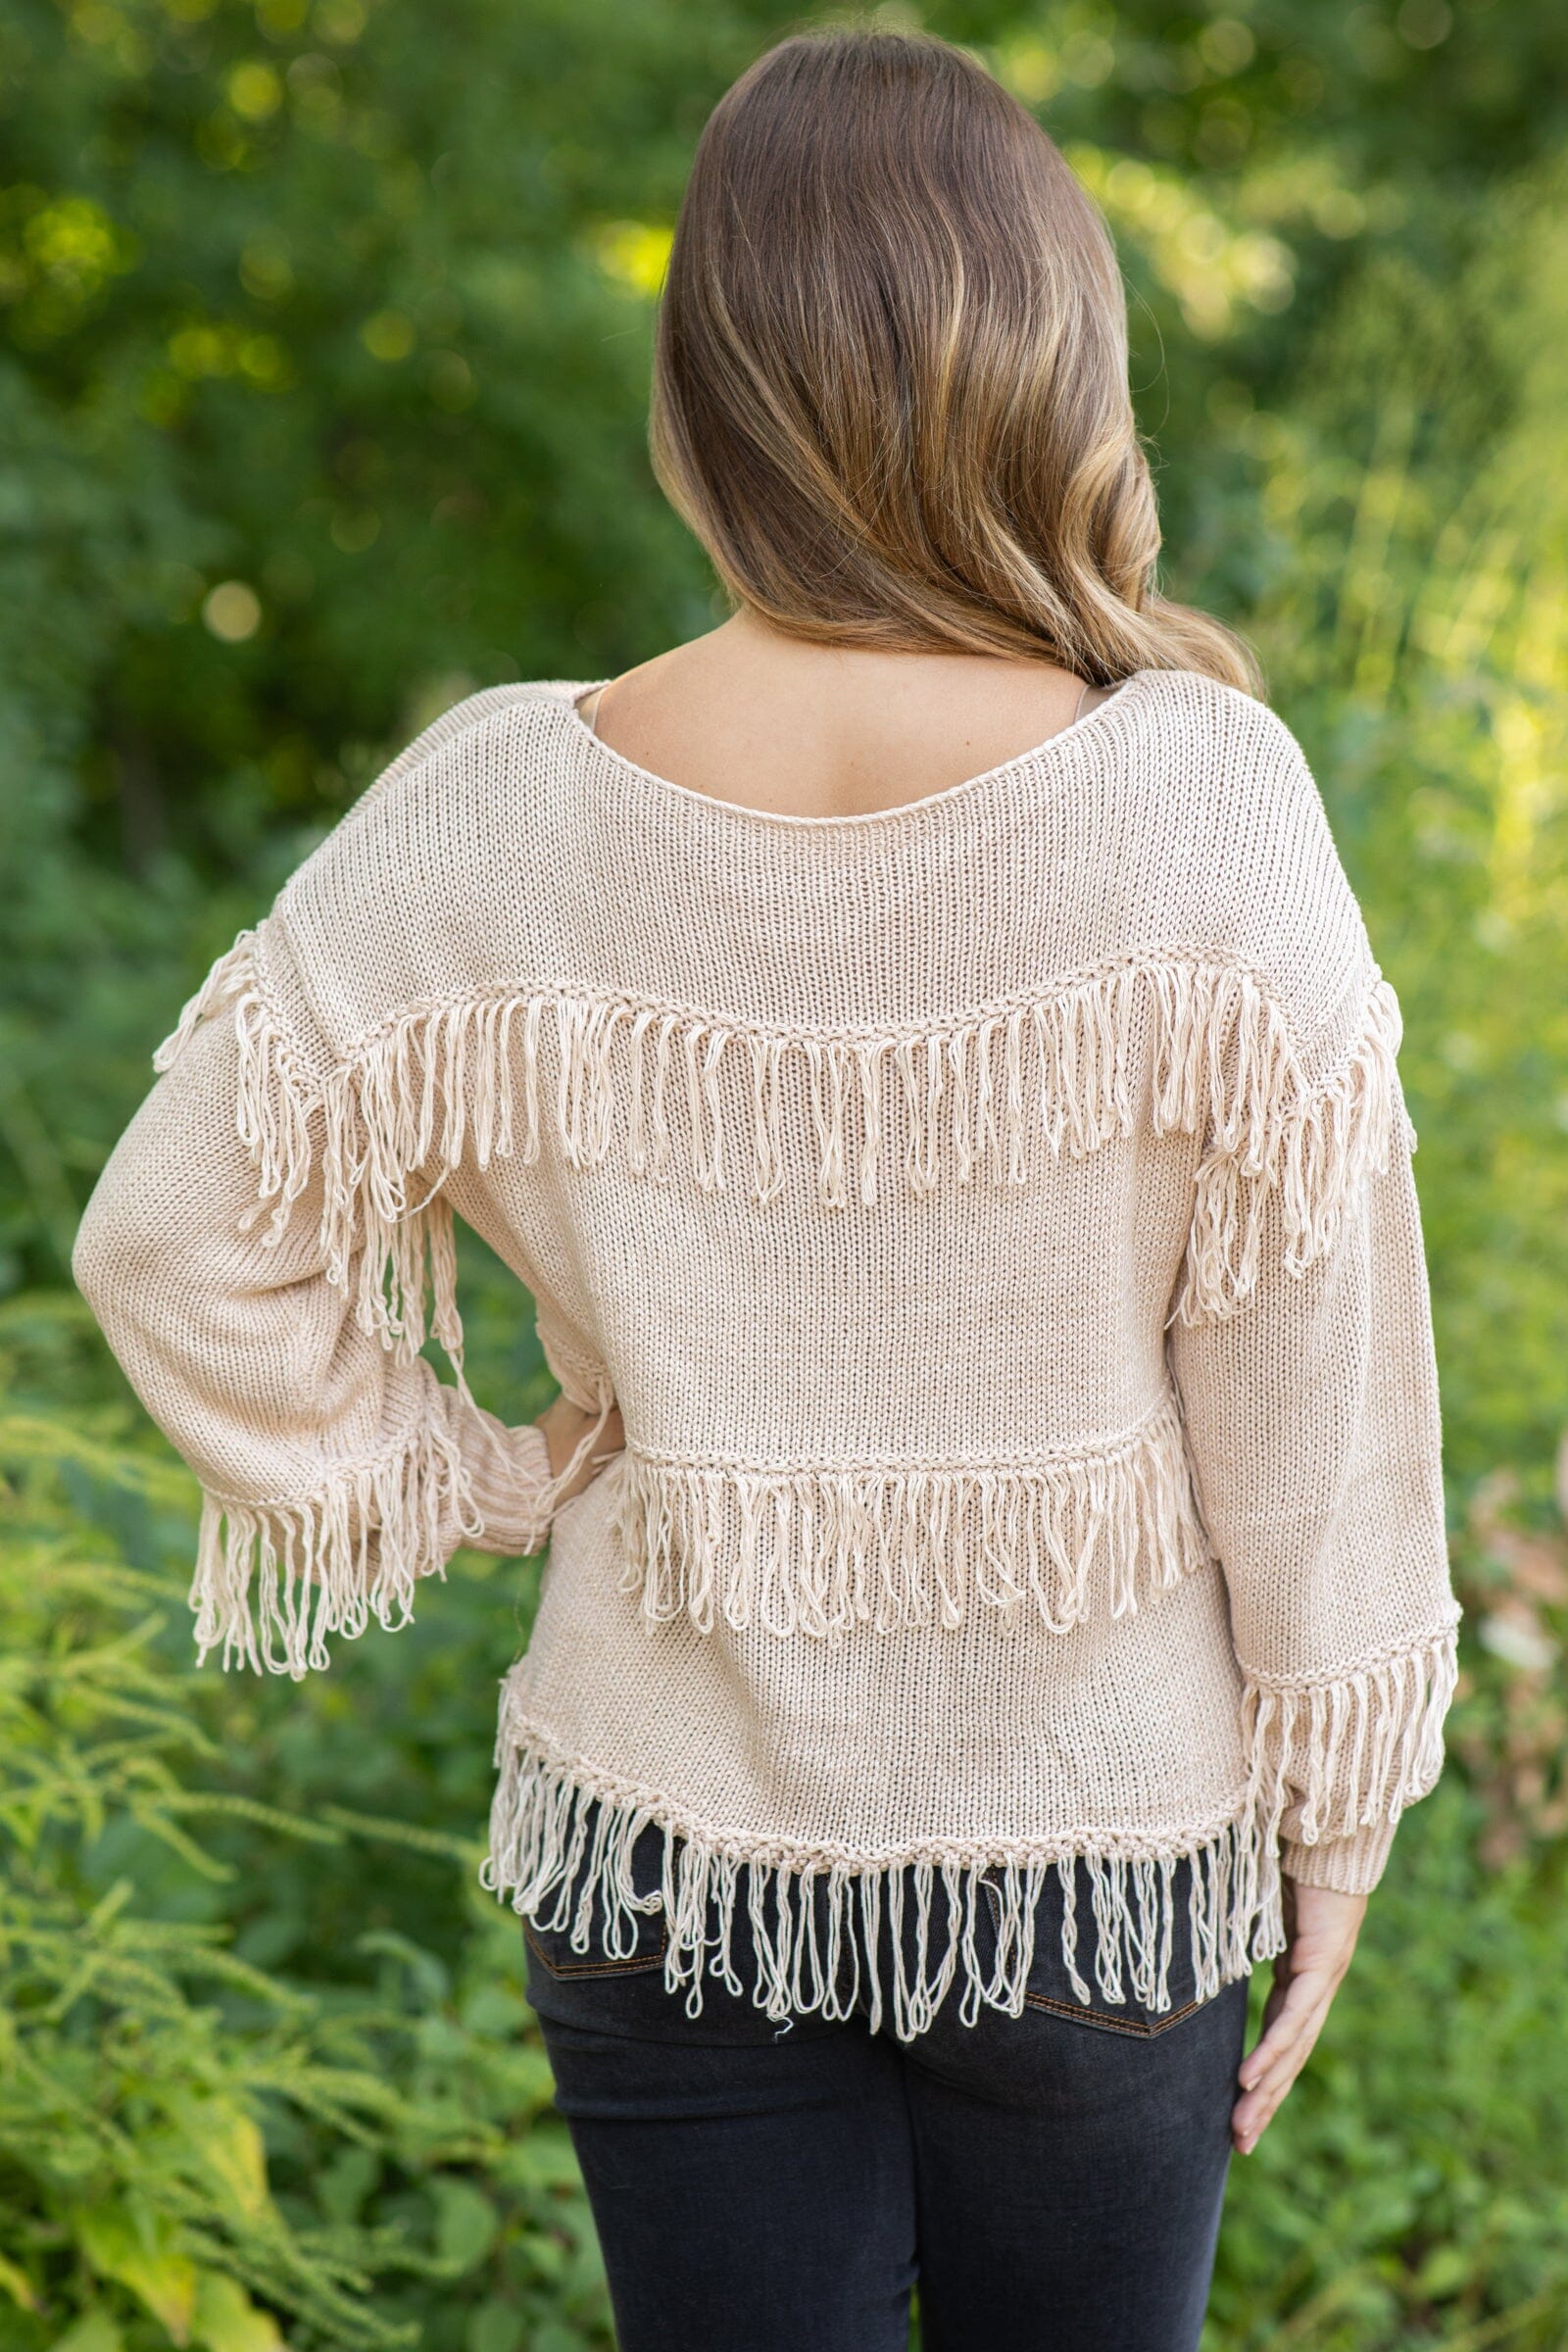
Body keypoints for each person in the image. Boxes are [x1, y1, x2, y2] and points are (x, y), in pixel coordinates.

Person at [73, 24, 1460, 2352]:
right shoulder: (1203, 802)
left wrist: (487, 1478)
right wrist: (1334, 1808)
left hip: (659, 1846)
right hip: (1093, 1859)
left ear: (705, 396)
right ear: (1046, 365)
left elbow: (164, 1237)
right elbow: (1305, 1393)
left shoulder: (498, 802)